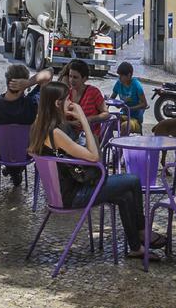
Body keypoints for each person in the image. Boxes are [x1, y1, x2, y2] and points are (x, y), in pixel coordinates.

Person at [28, 81, 164, 259]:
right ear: (57, 104)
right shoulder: (56, 134)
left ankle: (136, 247)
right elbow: (94, 157)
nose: (72, 101)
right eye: (68, 98)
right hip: (74, 195)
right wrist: (84, 118)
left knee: (125, 195)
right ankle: (142, 231)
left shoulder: (38, 126)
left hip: (61, 193)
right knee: (133, 180)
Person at [0, 63, 53, 186]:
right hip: (25, 154)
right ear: (24, 85)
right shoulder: (31, 105)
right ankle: (16, 170)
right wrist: (29, 83)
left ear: (7, 81)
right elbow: (50, 72)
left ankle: (12, 170)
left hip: (2, 154)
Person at [60, 59, 108, 137]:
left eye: (75, 77)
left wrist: (90, 119)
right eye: (70, 76)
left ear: (84, 79)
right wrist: (72, 123)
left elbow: (106, 113)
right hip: (70, 133)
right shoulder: (67, 93)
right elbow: (61, 118)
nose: (71, 80)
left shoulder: (93, 92)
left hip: (88, 134)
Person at [111, 61, 147, 134]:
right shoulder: (118, 84)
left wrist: (130, 109)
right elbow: (112, 99)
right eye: (119, 75)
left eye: (121, 75)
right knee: (108, 121)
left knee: (125, 126)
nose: (119, 78)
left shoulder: (136, 85)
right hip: (123, 115)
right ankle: (108, 143)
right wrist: (116, 103)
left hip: (135, 119)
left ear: (129, 75)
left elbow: (144, 104)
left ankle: (120, 145)